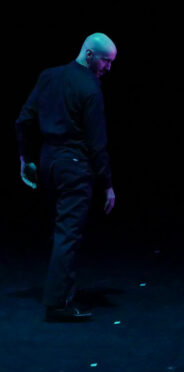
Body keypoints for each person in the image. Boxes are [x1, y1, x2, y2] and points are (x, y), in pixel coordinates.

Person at [15, 32, 118, 322]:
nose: (108, 68)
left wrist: (26, 159)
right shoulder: (90, 89)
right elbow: (97, 143)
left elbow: (23, 120)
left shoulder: (49, 76)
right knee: (68, 233)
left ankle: (63, 293)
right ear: (89, 54)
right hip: (74, 166)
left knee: (60, 231)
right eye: (106, 61)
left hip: (49, 162)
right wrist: (107, 184)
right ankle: (58, 303)